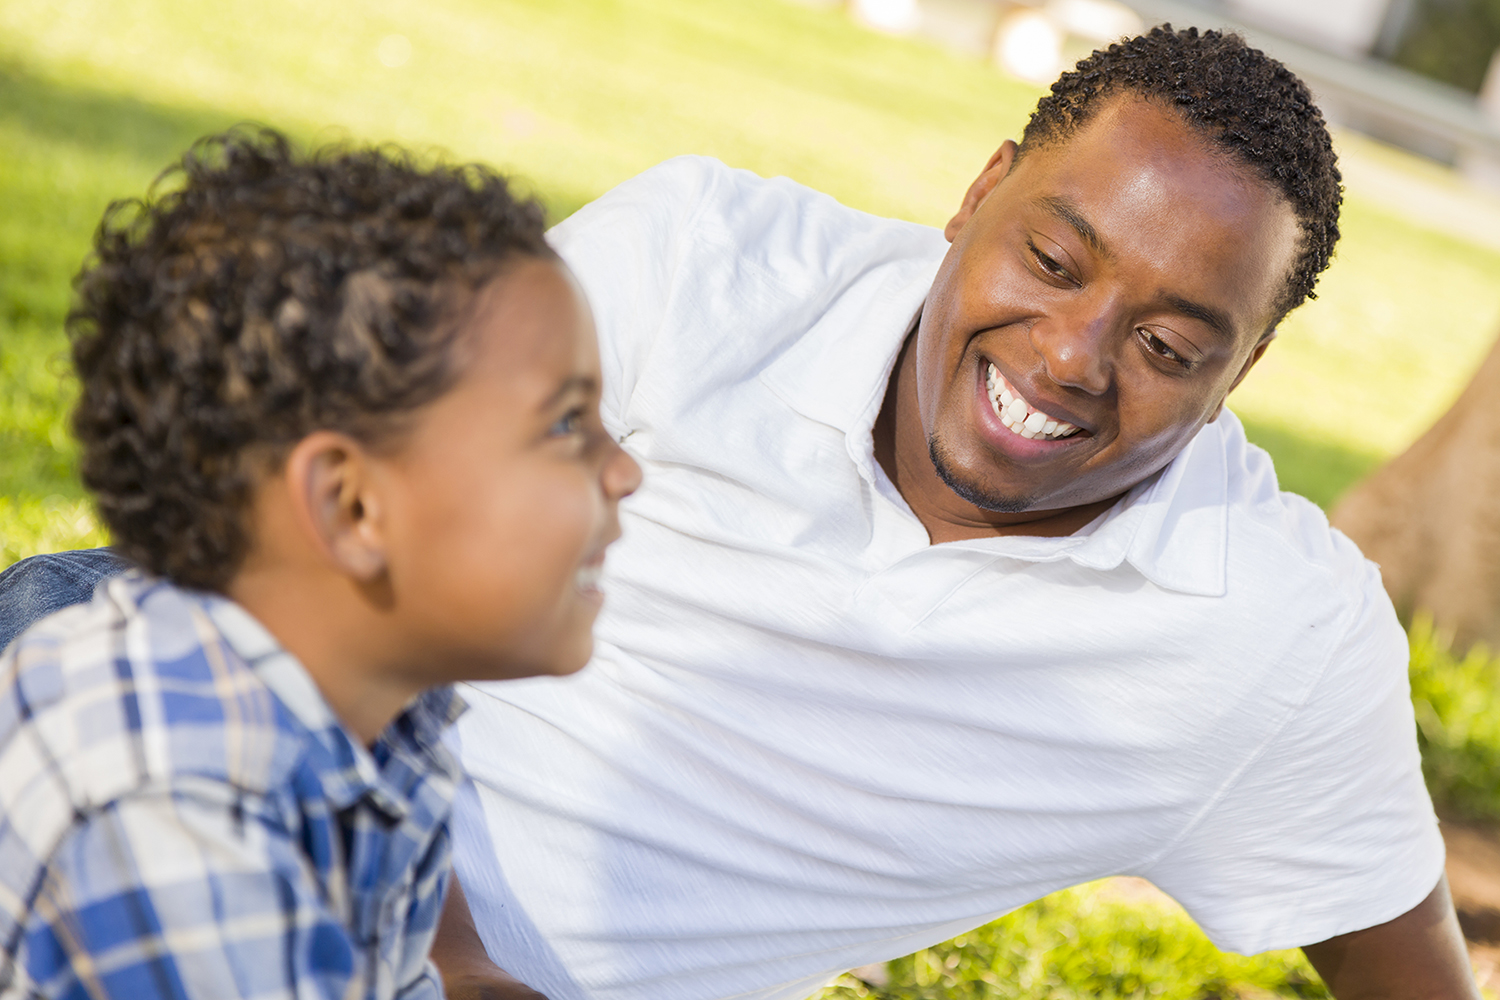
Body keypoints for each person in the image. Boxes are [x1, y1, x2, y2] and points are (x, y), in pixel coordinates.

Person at [0, 25, 1480, 1000]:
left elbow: (1405, 965)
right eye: (1054, 257)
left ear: (1248, 370)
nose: (1072, 360)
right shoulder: (704, 261)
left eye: (1169, 347)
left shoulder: (1270, 634)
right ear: (981, 192)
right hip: (254, 772)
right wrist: (448, 952)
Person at [0, 127, 640, 999]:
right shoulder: (174, 817)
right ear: (351, 507)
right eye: (566, 424)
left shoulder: (379, 721)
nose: (627, 469)